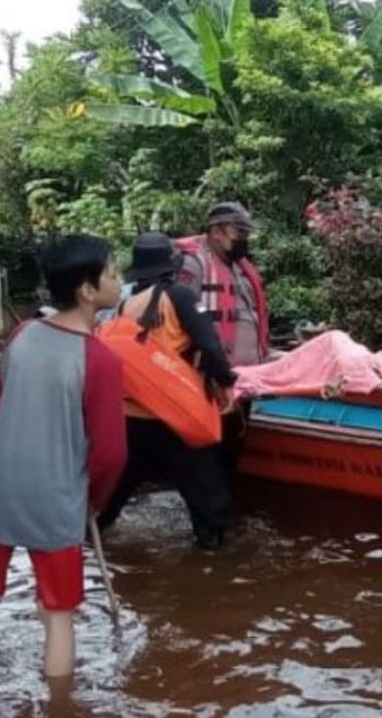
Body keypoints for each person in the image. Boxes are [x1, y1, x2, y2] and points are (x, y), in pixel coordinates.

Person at [0, 235, 126, 678]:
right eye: (114, 272)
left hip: (0, 490)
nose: (120, 280)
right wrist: (95, 501)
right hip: (56, 500)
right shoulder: (100, 360)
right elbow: (110, 456)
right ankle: (59, 706)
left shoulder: (22, 334)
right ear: (88, 290)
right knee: (59, 615)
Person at [98, 232, 240, 550]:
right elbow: (210, 345)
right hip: (173, 415)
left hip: (130, 416)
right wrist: (226, 384)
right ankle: (213, 558)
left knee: (118, 488)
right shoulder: (179, 296)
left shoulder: (124, 304)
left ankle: (89, 538)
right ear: (171, 266)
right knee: (209, 495)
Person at [175, 202, 270, 368]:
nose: (244, 238)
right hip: (215, 375)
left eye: (246, 233)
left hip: (252, 373)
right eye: (239, 232)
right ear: (217, 232)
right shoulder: (194, 264)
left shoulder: (240, 266)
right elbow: (181, 316)